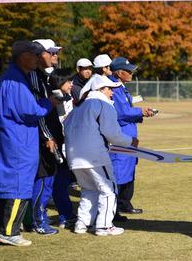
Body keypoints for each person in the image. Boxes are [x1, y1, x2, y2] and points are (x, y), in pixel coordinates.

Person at [0, 41, 58, 247]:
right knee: (18, 184)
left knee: (6, 184)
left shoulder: (14, 77)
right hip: (17, 141)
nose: (38, 58)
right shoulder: (16, 81)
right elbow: (31, 111)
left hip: (12, 138)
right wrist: (49, 103)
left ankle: (2, 229)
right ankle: (9, 231)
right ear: (22, 56)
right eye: (34, 55)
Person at [64, 74, 138, 236]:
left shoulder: (79, 107)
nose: (112, 93)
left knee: (88, 190)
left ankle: (82, 224)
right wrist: (130, 141)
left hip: (74, 158)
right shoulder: (103, 105)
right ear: (100, 89)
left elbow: (66, 127)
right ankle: (104, 226)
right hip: (95, 156)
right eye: (109, 89)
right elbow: (112, 134)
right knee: (109, 190)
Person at [109, 57, 155, 220]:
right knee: (118, 173)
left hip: (128, 135)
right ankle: (111, 212)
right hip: (120, 137)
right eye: (128, 71)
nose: (131, 73)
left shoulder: (121, 87)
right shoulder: (113, 88)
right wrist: (139, 112)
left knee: (127, 171)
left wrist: (140, 113)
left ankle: (122, 205)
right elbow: (121, 114)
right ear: (118, 72)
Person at [29, 39, 64, 235]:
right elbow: (38, 111)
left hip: (48, 136)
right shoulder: (34, 76)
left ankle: (35, 219)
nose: (54, 56)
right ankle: (38, 221)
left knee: (48, 179)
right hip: (43, 140)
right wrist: (47, 137)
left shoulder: (43, 76)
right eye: (51, 52)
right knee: (43, 180)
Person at [49, 69, 78, 228]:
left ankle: (65, 214)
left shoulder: (66, 96)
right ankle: (65, 216)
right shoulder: (57, 97)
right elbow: (63, 122)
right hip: (56, 144)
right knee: (59, 181)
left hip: (62, 143)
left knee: (61, 181)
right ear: (60, 82)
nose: (72, 84)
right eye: (69, 81)